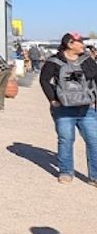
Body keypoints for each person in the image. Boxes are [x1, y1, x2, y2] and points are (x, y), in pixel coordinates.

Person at [39, 32, 97, 184]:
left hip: (86, 108)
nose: (83, 45)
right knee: (66, 140)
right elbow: (44, 79)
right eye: (80, 42)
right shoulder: (53, 61)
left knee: (94, 140)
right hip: (63, 109)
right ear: (70, 44)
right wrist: (52, 99)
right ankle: (65, 172)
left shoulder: (87, 60)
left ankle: (95, 176)